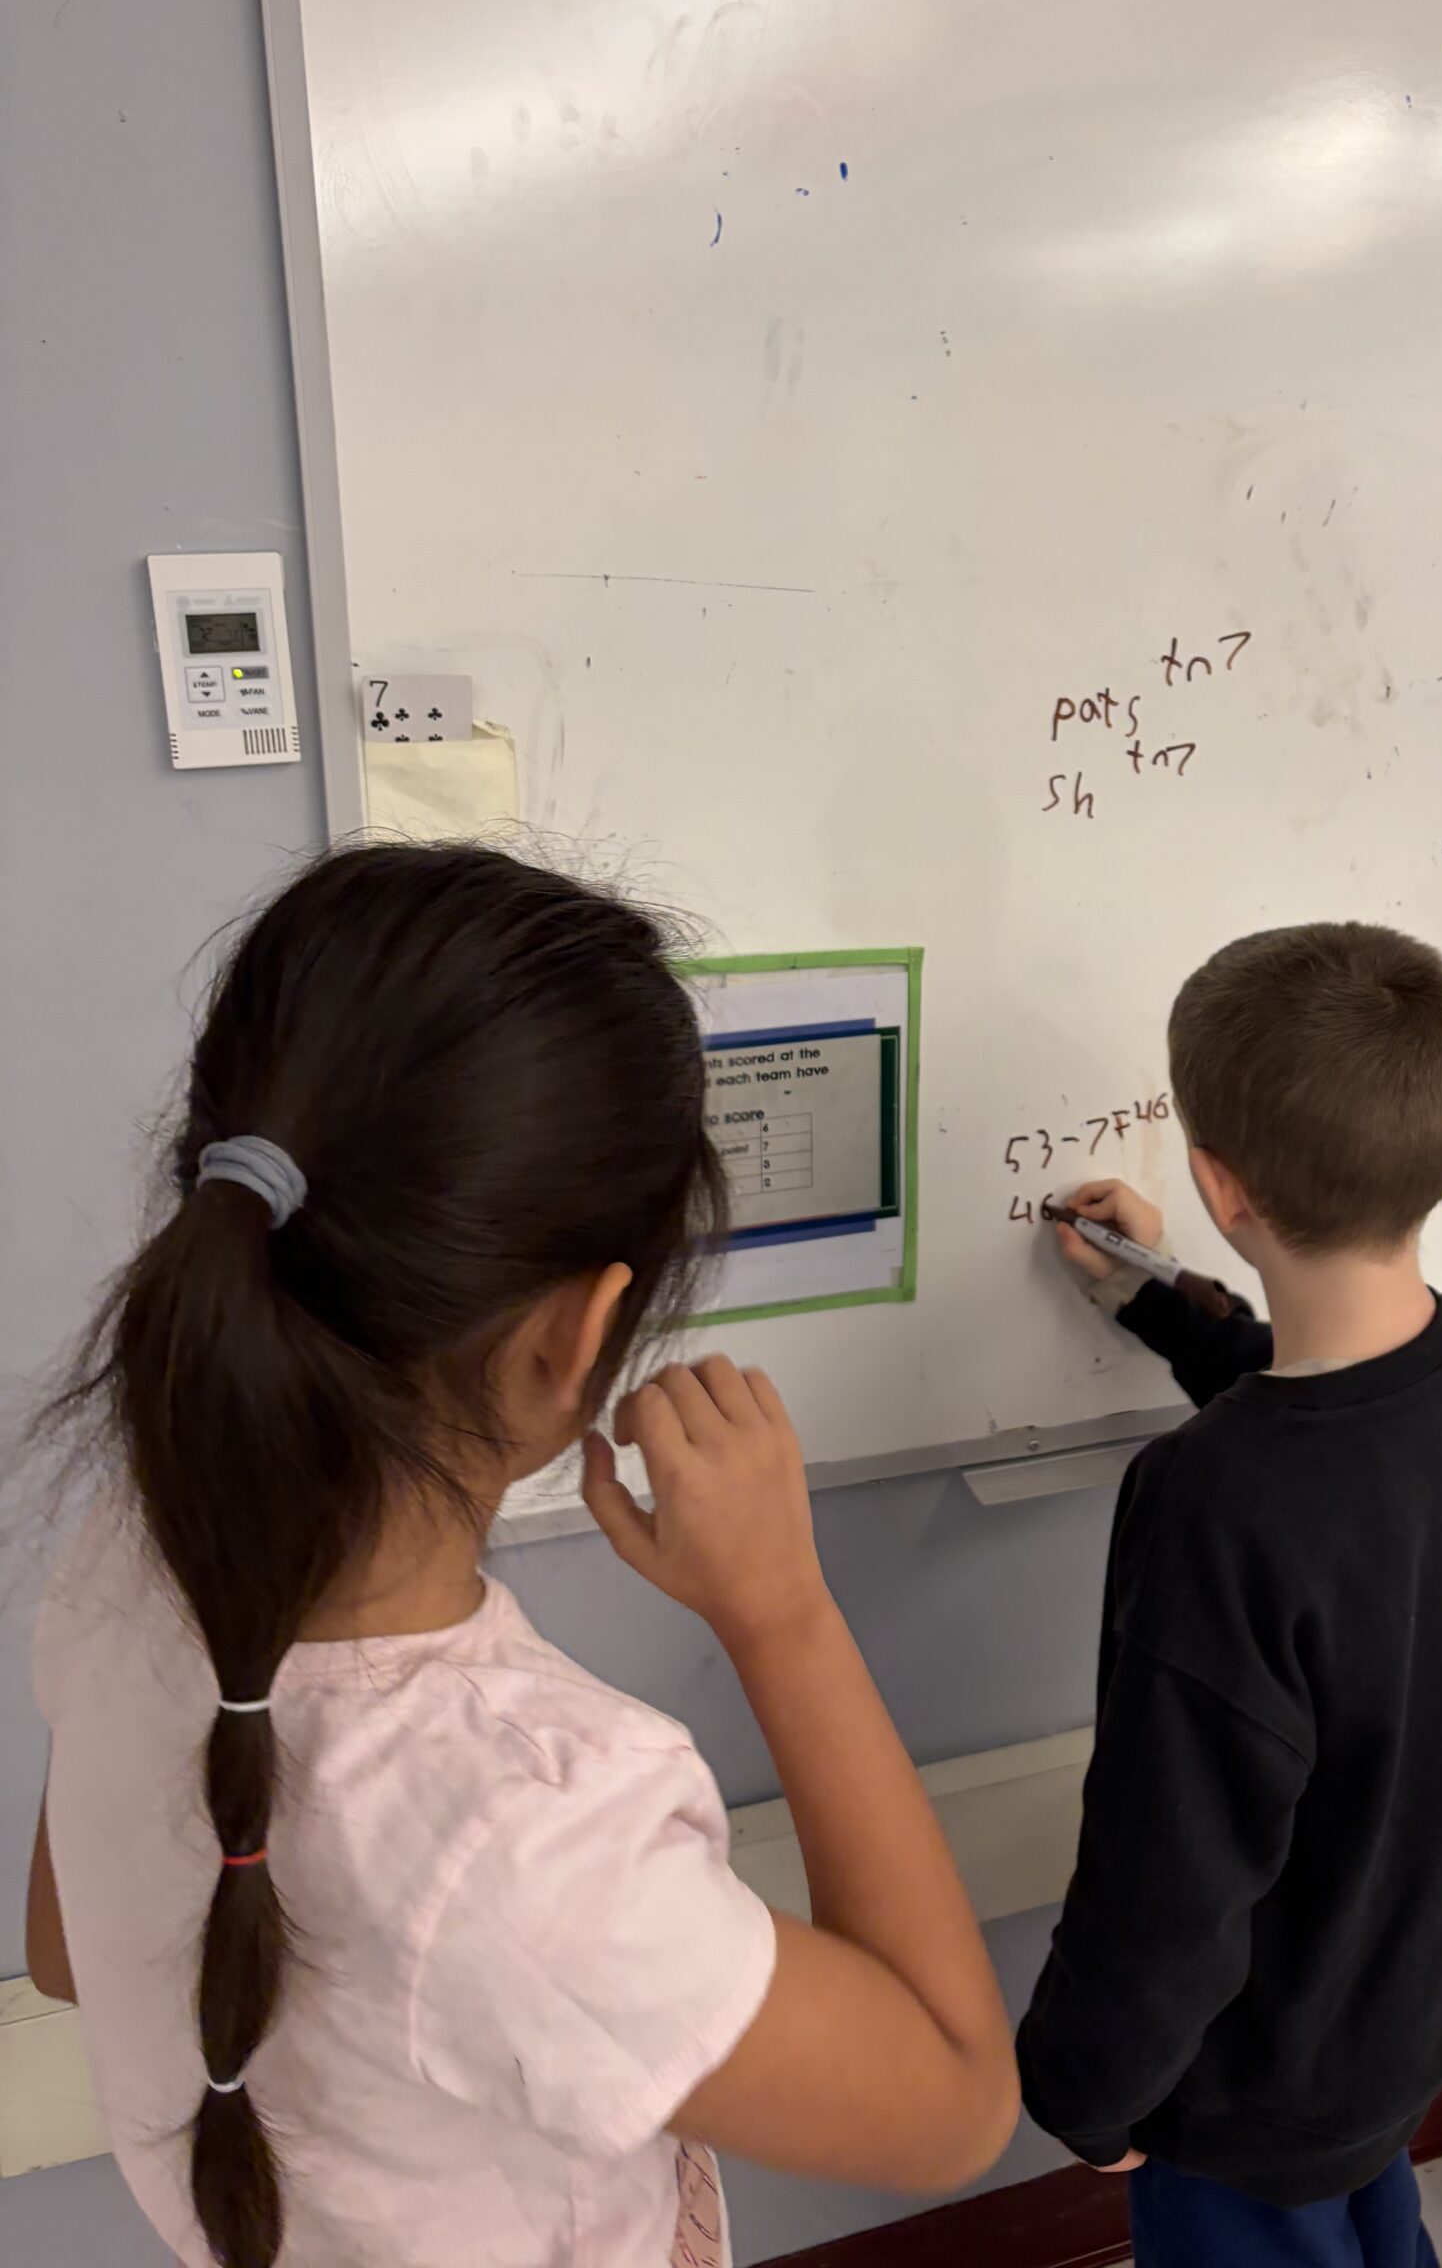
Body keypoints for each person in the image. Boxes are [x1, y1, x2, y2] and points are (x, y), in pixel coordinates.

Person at [26, 843, 1015, 2268]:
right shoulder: (531, 1833)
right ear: (575, 1341)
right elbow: (952, 2100)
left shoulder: (131, 1554)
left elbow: (73, 1956)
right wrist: (782, 1613)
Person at [1016, 921, 1442, 2268]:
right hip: (1412, 2002)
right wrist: (1169, 1308)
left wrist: (1085, 2089)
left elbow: (1167, 1864)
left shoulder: (1212, 1501)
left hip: (1248, 2078)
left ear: (1215, 1181)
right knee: (1374, 2220)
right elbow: (1334, 1434)